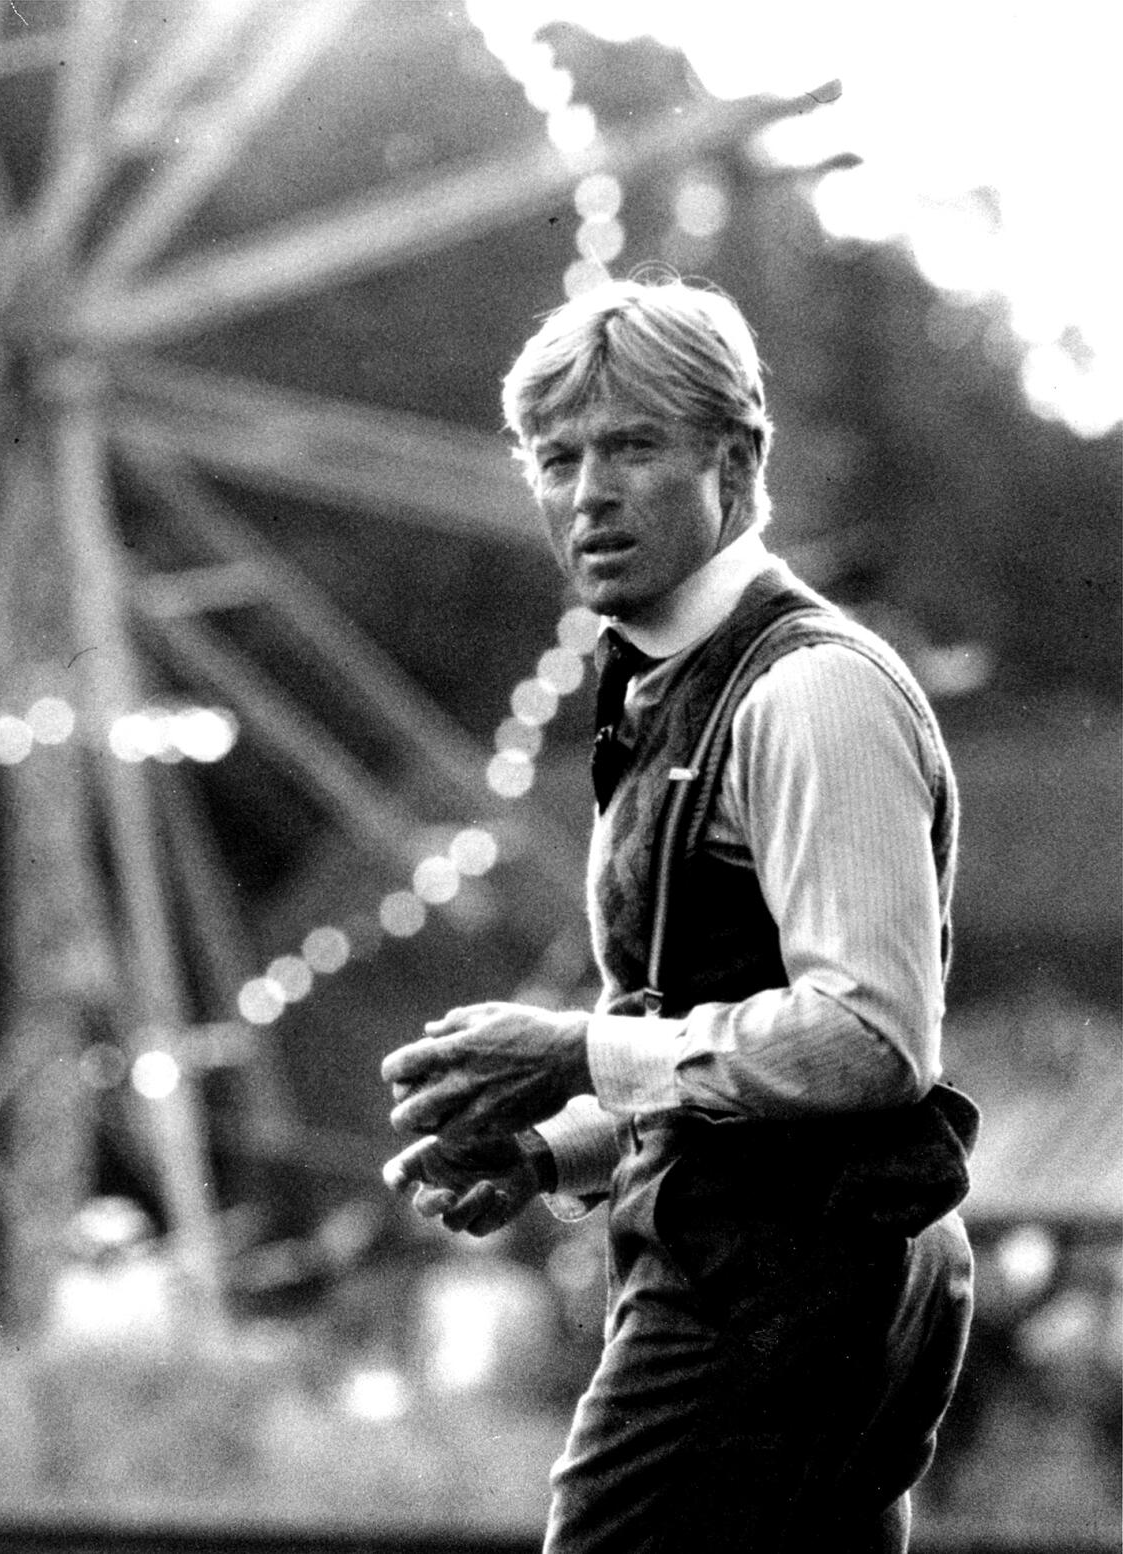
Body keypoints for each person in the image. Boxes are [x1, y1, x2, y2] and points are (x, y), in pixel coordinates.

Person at [380, 278, 978, 1552]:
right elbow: (717, 1058)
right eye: (557, 458)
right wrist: (550, 1154)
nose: (587, 493)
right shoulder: (668, 692)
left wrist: (568, 1051)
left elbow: (870, 1046)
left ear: (738, 459)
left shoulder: (809, 693)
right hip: (808, 1274)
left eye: (634, 446)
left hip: (773, 1290)